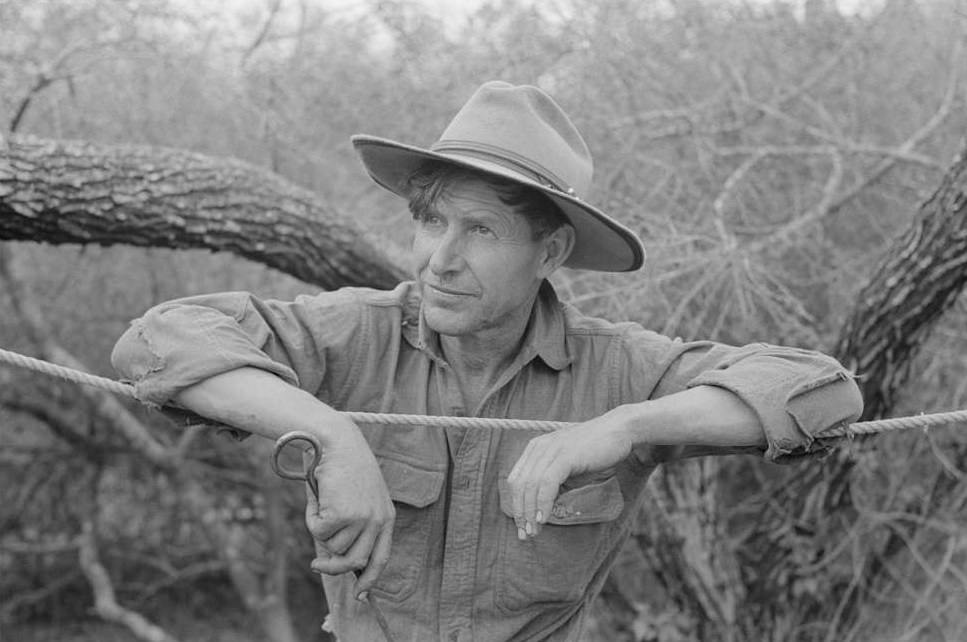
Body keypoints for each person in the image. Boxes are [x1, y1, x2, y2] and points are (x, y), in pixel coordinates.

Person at [111, 81, 863, 642]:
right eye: (431, 221)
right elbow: (159, 338)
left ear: (551, 251)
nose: (441, 259)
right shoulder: (351, 334)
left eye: (480, 230)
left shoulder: (618, 368)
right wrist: (331, 435)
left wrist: (629, 426)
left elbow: (820, 394)